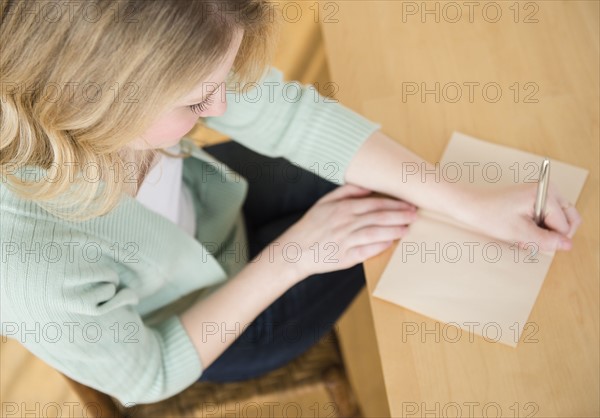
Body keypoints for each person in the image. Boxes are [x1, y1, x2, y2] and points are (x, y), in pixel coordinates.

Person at [0, 0, 581, 407]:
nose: (224, 103)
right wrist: (295, 255)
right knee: (400, 239)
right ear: (104, 101)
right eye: (198, 100)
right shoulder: (29, 265)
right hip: (208, 327)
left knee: (406, 198)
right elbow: (150, 373)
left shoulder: (103, 77)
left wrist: (471, 202)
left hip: (214, 208)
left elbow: (286, 114)